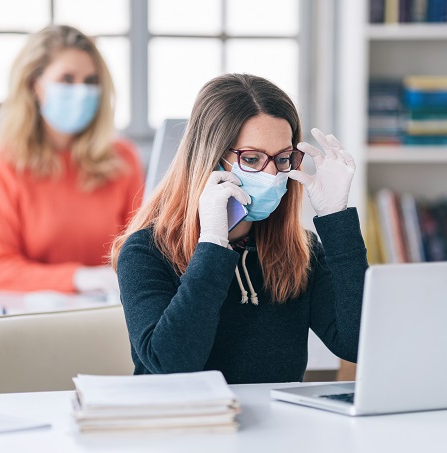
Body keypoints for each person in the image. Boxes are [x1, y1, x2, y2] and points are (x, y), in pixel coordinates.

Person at [110, 73, 368, 384]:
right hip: (184, 427)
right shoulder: (145, 251)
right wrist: (213, 245)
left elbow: (359, 345)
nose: (273, 174)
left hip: (278, 429)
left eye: (283, 158)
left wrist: (336, 220)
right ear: (211, 160)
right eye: (253, 158)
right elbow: (171, 367)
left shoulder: (302, 250)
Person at [0, 25, 144, 293]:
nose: (81, 91)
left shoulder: (122, 157)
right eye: (67, 79)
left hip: (108, 312)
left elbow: (139, 251)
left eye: (90, 81)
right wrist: (78, 278)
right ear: (33, 85)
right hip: (31, 317)